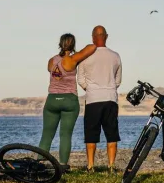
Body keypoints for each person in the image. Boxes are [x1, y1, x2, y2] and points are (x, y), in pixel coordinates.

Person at [40, 33, 97, 169]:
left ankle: (39, 163)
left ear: (60, 44)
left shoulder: (51, 61)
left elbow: (52, 70)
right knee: (65, 135)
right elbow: (92, 47)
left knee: (47, 134)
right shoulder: (72, 59)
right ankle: (63, 165)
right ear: (72, 45)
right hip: (69, 100)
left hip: (52, 99)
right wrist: (76, 52)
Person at [77, 25, 122, 174]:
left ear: (92, 37)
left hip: (93, 99)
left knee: (91, 134)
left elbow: (80, 78)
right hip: (110, 97)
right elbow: (118, 80)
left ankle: (90, 166)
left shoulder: (86, 56)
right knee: (111, 134)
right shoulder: (115, 56)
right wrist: (108, 87)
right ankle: (111, 165)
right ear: (106, 36)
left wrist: (90, 89)